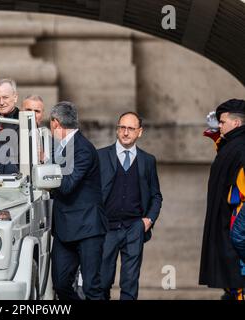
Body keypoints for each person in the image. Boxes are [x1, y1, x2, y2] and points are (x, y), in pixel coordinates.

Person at [98, 112, 162, 300]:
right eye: (122, 128)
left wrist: (148, 220)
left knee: (130, 282)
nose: (125, 132)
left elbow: (156, 195)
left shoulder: (148, 160)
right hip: (106, 227)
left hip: (135, 227)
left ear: (139, 132)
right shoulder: (100, 156)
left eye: (131, 128)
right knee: (102, 280)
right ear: (117, 130)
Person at [50, 101, 107, 300]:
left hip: (87, 228)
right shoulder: (55, 147)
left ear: (55, 123)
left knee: (92, 287)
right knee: (60, 283)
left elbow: (67, 185)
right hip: (64, 229)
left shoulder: (83, 149)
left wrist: (47, 167)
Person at [200, 98, 245, 300]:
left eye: (223, 121)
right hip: (229, 223)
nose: (219, 125)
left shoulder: (240, 146)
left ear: (236, 123)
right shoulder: (233, 144)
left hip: (236, 221)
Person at [21, 95, 50, 163]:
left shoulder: (48, 138)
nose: (32, 114)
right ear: (21, 111)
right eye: (28, 110)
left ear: (42, 115)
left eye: (37, 111)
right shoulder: (11, 133)